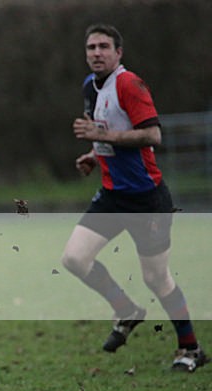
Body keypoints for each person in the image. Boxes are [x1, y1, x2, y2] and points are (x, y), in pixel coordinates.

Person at [62, 24, 206, 372]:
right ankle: (126, 309)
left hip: (146, 199)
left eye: (104, 46)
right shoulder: (89, 86)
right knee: (74, 258)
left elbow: (153, 135)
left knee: (156, 278)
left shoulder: (129, 84)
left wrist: (102, 136)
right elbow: (107, 134)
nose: (96, 52)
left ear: (118, 52)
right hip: (112, 196)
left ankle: (191, 349)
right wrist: (95, 156)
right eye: (91, 47)